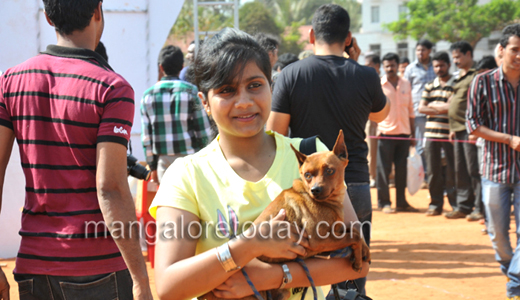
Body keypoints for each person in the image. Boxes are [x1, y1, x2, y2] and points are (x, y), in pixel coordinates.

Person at [149, 27, 369, 300]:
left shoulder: (313, 158)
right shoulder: (186, 176)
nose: (243, 102)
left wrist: (271, 277)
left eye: (254, 85)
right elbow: (169, 286)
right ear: (204, 102)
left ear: (271, 87)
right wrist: (249, 244)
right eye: (227, 90)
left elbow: (357, 260)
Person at [0, 0, 153, 299]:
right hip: (99, 267)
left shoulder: (10, 82)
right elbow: (111, 189)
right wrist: (141, 280)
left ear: (47, 16)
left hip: (34, 264)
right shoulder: (112, 88)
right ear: (98, 11)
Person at [267, 4, 390, 295]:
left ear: (311, 35)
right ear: (349, 38)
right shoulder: (367, 76)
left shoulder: (291, 74)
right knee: (354, 266)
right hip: (353, 181)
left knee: (304, 271)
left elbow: (275, 132)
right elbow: (381, 116)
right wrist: (358, 68)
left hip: (309, 190)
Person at [466, 24, 520, 300]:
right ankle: (512, 269)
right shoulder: (482, 82)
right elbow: (473, 125)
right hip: (494, 170)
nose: (519, 55)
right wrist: (509, 139)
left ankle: (514, 285)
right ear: (502, 50)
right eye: (515, 50)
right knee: (498, 236)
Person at [140, 45, 212, 184]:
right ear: (181, 67)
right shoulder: (191, 91)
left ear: (161, 67)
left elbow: (146, 138)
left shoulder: (148, 96)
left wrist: (152, 166)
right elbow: (203, 132)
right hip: (190, 159)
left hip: (163, 162)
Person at [376, 53, 416, 214]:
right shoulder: (379, 85)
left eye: (392, 65)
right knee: (383, 171)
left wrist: (412, 133)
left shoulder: (406, 83)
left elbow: (411, 110)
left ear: (397, 65)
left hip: (404, 134)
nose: (390, 69)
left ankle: (401, 202)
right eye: (387, 66)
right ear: (383, 67)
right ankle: (384, 203)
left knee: (401, 171)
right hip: (385, 134)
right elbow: (373, 110)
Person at [418, 51, 457, 216]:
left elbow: (453, 108)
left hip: (450, 135)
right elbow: (421, 108)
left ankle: (456, 205)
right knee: (433, 172)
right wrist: (443, 107)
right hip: (431, 135)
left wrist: (432, 107)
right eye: (436, 66)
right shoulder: (429, 85)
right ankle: (435, 204)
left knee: (452, 171)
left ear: (448, 65)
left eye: (442, 65)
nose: (439, 68)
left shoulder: (456, 84)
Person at [446, 41, 481, 220]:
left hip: (471, 130)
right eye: (453, 58)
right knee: (460, 170)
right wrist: (452, 128)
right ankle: (464, 206)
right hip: (457, 129)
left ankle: (479, 208)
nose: (456, 61)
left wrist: (475, 129)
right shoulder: (458, 76)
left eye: (459, 56)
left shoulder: (477, 76)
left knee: (474, 169)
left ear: (469, 55)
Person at [404, 39, 436, 179]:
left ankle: (434, 176)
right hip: (418, 113)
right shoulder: (411, 69)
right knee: (421, 147)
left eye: (423, 50)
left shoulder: (436, 66)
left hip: (436, 113)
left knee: (434, 147)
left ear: (429, 51)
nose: (420, 53)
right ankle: (424, 177)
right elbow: (405, 90)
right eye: (418, 50)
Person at [364, 52, 381, 188]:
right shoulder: (367, 80)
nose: (367, 68)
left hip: (383, 119)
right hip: (370, 119)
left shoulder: (382, 80)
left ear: (377, 66)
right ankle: (372, 176)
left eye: (369, 65)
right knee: (371, 149)